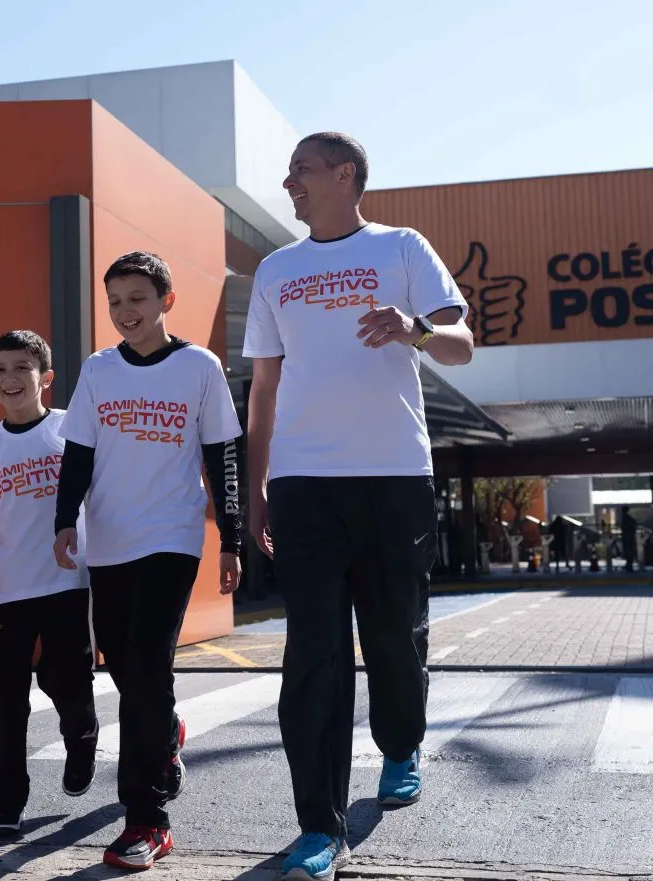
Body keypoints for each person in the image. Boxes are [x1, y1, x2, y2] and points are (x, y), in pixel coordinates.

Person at [242, 133, 473, 881]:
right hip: (306, 483)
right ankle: (318, 824)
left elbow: (464, 341)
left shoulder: (402, 247)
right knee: (313, 651)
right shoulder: (277, 269)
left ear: (346, 175)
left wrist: (416, 330)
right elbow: (265, 389)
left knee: (394, 633)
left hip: (394, 475)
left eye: (302, 170)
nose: (289, 183)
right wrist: (258, 487)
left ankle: (401, 741)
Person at [53, 251, 244, 871]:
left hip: (172, 537)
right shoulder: (99, 371)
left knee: (146, 662)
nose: (124, 311)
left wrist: (232, 538)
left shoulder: (199, 367)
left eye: (136, 298)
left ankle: (147, 819)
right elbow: (77, 453)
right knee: (122, 659)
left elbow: (222, 456)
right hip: (108, 540)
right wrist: (64, 521)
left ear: (166, 300)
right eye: (114, 301)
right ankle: (165, 732)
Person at [0, 329, 99, 838]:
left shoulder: (70, 431)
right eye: (0, 370)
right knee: (4, 694)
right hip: (9, 590)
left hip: (68, 581)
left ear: (46, 378)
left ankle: (82, 739)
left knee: (66, 679)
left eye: (22, 368)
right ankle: (8, 793)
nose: (10, 378)